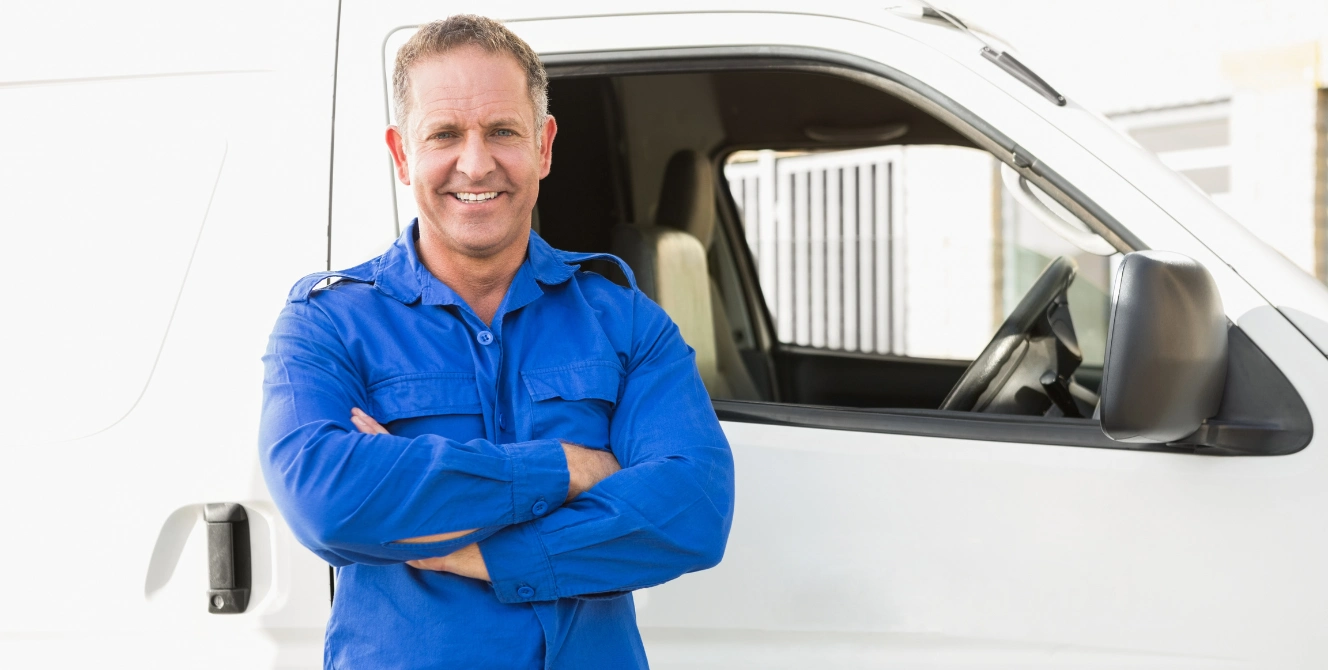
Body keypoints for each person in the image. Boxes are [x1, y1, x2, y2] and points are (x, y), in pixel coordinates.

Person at [258, 14, 735, 670]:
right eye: (445, 134)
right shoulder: (327, 323)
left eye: (503, 131)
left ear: (543, 145)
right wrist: (567, 468)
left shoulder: (624, 319)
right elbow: (326, 501)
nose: (475, 162)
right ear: (403, 154)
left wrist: (460, 548)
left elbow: (695, 508)